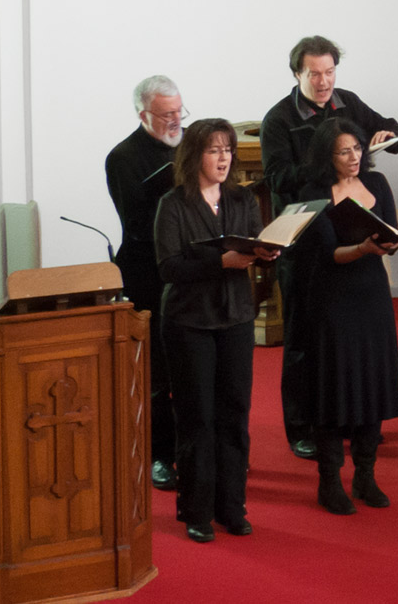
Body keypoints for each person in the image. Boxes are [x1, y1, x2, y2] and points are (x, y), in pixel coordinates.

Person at [258, 34, 398, 459]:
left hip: (352, 238)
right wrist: (326, 161)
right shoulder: (278, 119)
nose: (324, 82)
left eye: (330, 72)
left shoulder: (348, 102)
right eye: (314, 74)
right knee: (303, 340)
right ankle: (301, 428)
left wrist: (387, 134)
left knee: (351, 342)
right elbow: (277, 179)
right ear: (297, 74)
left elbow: (393, 133)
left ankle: (354, 419)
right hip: (303, 239)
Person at [154, 117, 277, 542]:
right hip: (190, 322)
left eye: (227, 150)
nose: (223, 158)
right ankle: (197, 510)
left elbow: (253, 245)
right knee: (198, 419)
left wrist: (266, 253)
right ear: (195, 156)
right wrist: (219, 262)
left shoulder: (241, 199)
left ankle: (232, 507)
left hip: (236, 317)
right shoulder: (173, 204)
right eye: (214, 150)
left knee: (235, 415)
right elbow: (168, 267)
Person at [298, 117, 398, 515]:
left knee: (371, 385)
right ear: (327, 156)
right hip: (332, 299)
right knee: (334, 388)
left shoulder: (378, 184)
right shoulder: (313, 193)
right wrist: (363, 248)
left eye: (357, 148)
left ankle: (365, 475)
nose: (354, 156)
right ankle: (329, 482)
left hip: (372, 296)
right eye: (344, 151)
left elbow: (392, 233)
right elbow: (327, 254)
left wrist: (392, 243)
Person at [106, 74, 183, 489]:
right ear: (143, 115)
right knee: (156, 373)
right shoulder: (123, 157)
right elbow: (136, 223)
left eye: (179, 111)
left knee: (192, 367)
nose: (176, 120)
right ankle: (159, 455)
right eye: (166, 114)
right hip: (146, 272)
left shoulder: (189, 145)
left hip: (189, 270)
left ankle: (196, 448)